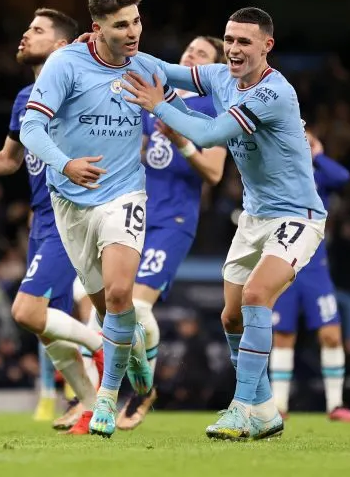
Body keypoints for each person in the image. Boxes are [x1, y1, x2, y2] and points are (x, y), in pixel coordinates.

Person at [122, 6, 326, 442]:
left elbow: (213, 134)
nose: (233, 49)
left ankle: (242, 406)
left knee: (255, 296)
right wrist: (114, 46)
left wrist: (159, 106)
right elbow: (164, 69)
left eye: (244, 42)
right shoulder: (219, 77)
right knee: (232, 317)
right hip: (254, 217)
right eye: (229, 40)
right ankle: (266, 410)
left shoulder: (274, 94)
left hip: (297, 215)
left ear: (266, 46)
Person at [0, 9, 105, 434]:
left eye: (38, 30)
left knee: (27, 311)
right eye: (27, 27)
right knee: (49, 332)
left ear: (63, 46)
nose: (25, 34)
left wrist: (90, 50)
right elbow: (11, 161)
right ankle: (88, 405)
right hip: (41, 219)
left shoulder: (80, 88)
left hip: (74, 214)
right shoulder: (24, 98)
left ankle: (108, 347)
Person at [19, 0, 175, 437]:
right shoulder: (64, 65)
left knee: (121, 294)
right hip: (70, 201)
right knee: (107, 311)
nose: (133, 32)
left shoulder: (144, 67)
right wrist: (65, 163)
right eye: (122, 25)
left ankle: (106, 399)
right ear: (97, 28)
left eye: (137, 21)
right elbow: (31, 127)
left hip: (124, 194)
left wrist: (249, 74)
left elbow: (198, 79)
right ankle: (141, 370)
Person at [116, 36, 228, 430]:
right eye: (190, 50)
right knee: (111, 307)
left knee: (138, 305)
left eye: (202, 55)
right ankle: (105, 391)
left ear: (211, 69)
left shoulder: (213, 106)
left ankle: (141, 391)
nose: (191, 55)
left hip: (174, 221)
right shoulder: (153, 98)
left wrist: (180, 139)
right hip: (133, 216)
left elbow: (214, 172)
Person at [269, 129, 350, 421]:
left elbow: (344, 178)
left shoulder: (319, 178)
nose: (304, 146)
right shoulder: (280, 172)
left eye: (308, 141)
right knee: (283, 335)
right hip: (282, 262)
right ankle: (279, 406)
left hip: (315, 268)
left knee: (331, 334)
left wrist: (319, 154)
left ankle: (335, 405)